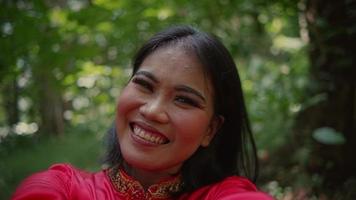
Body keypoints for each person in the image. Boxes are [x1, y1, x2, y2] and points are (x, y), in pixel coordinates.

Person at [12, 25, 273, 200]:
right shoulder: (60, 190)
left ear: (211, 129)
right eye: (144, 85)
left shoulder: (229, 195)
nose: (152, 111)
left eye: (184, 99)